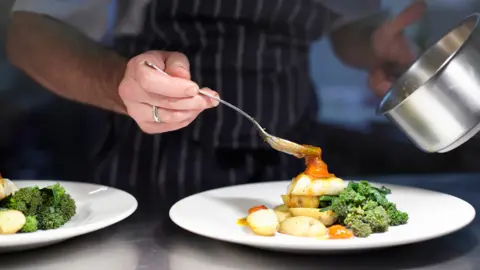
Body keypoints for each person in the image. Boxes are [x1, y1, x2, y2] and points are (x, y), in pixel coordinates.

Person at [6, 0, 426, 199]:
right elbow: (26, 33)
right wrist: (121, 82)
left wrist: (374, 44)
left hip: (288, 155)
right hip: (154, 162)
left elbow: (350, 24)